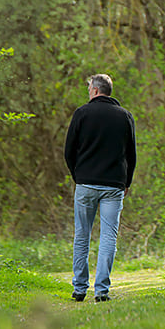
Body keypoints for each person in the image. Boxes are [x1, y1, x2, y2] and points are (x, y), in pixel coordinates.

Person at [65, 74, 136, 302]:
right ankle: (102, 290)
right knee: (108, 237)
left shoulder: (82, 114)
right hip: (113, 186)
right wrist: (127, 182)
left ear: (95, 91)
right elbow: (131, 154)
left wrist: (78, 175)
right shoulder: (125, 116)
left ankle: (79, 288)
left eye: (89, 89)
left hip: (85, 183)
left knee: (82, 236)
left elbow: (69, 150)